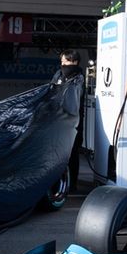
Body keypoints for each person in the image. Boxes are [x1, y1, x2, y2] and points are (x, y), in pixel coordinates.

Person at [51, 49, 86, 190]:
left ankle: (71, 185)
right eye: (62, 62)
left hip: (74, 123)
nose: (63, 65)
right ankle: (56, 183)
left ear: (75, 62)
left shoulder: (79, 78)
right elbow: (51, 91)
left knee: (72, 154)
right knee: (56, 154)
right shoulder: (58, 74)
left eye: (66, 62)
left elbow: (74, 99)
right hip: (57, 122)